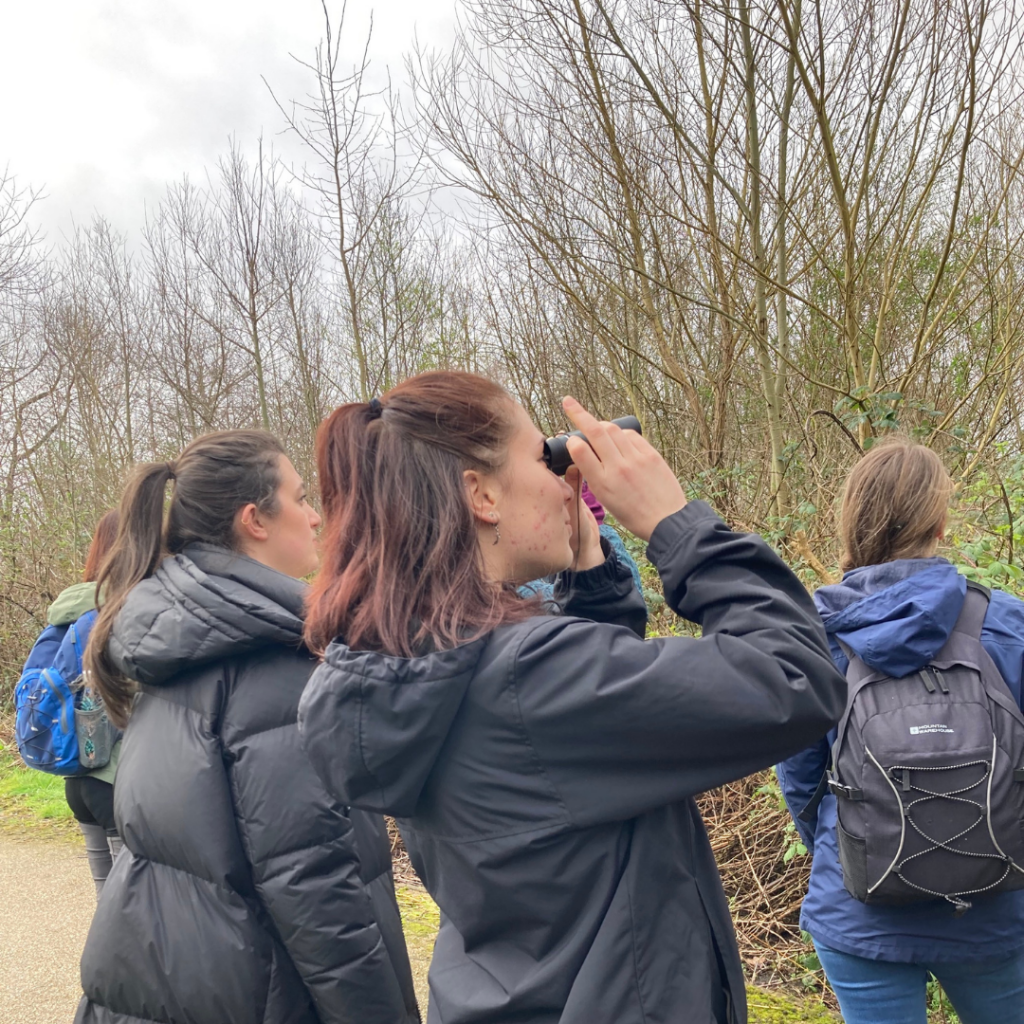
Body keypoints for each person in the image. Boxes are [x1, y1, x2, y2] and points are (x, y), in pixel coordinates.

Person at [298, 370, 847, 1024]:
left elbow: (585, 750)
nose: (564, 479)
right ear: (481, 495)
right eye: (544, 457)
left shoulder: (423, 664)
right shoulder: (530, 677)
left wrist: (590, 575)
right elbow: (796, 675)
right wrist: (680, 526)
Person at [75, 430, 419, 1024]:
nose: (315, 517)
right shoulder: (270, 662)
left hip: (164, 982)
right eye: (302, 497)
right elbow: (315, 888)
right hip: (254, 996)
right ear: (254, 519)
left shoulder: (178, 638)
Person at [778, 437, 1024, 1024]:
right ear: (940, 523)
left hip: (859, 914)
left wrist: (851, 851)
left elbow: (801, 777)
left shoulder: (816, 634)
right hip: (996, 914)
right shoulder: (1008, 623)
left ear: (851, 524)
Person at [16, 510, 122, 896]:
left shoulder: (63, 615)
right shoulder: (121, 614)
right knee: (131, 912)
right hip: (114, 778)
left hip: (76, 779)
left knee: (107, 906)